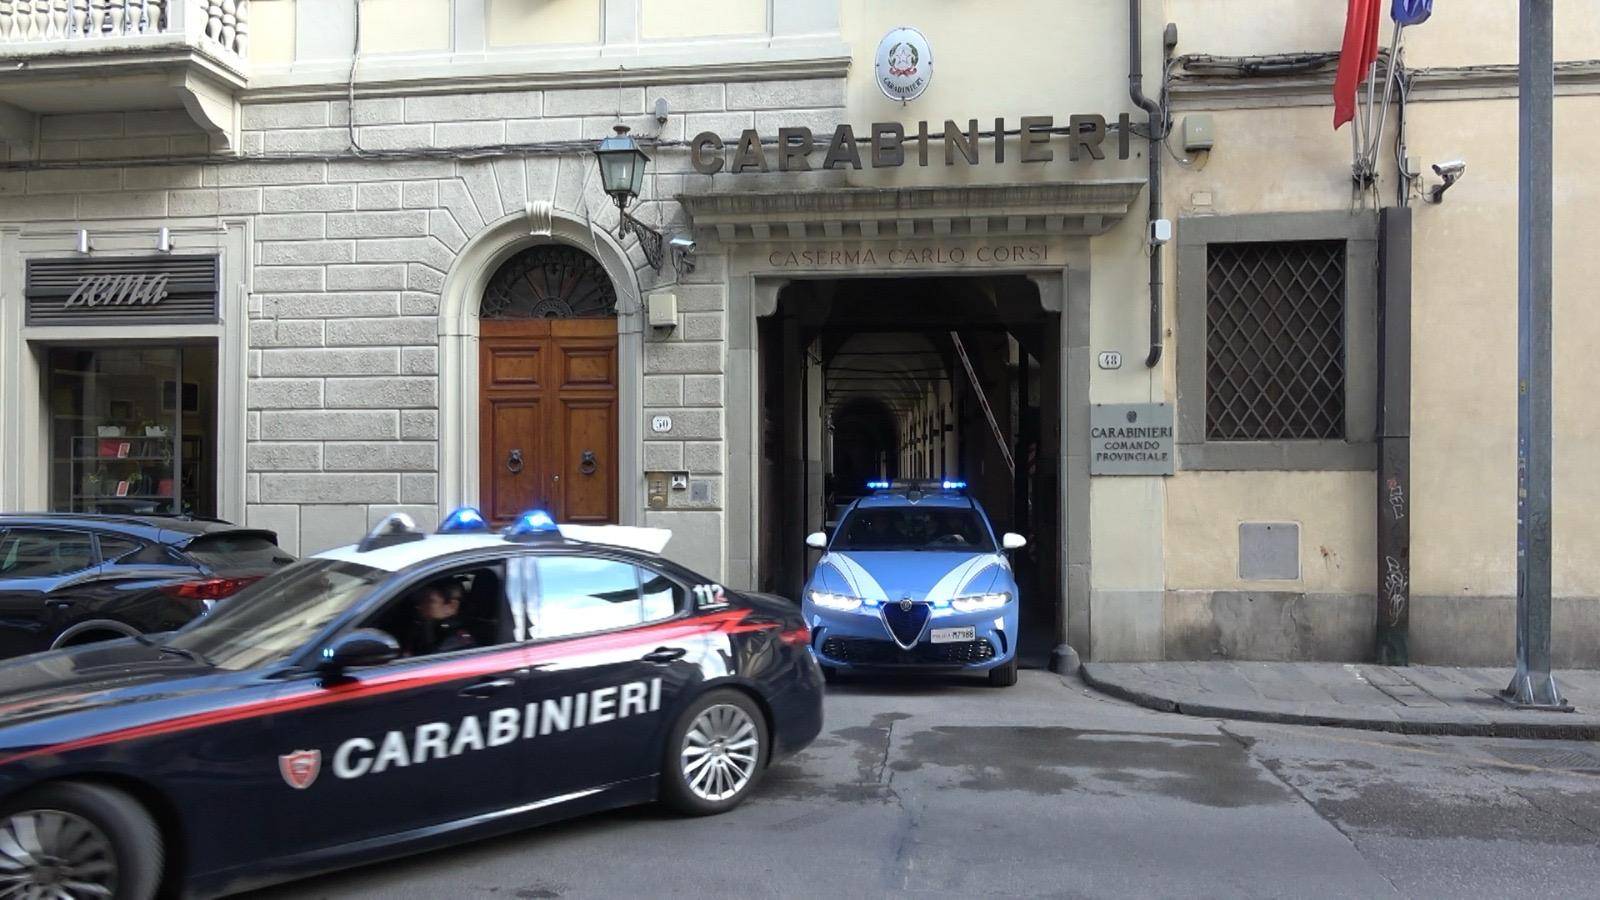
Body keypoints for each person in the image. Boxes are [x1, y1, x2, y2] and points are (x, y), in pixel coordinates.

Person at [402, 580, 475, 656]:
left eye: (429, 601)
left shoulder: (458, 642)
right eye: (420, 600)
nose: (419, 606)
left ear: (452, 606)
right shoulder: (424, 627)